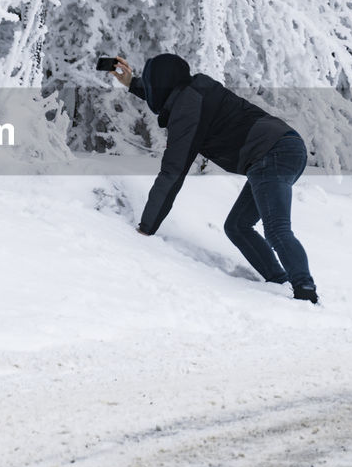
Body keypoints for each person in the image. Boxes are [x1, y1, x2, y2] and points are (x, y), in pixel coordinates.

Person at [111, 54, 318, 303]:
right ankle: (279, 282)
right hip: (280, 149)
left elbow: (172, 172)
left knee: (276, 229)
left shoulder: (187, 109)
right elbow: (168, 95)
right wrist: (133, 83)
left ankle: (305, 292)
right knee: (238, 226)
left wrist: (146, 228)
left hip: (271, 154)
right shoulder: (194, 91)